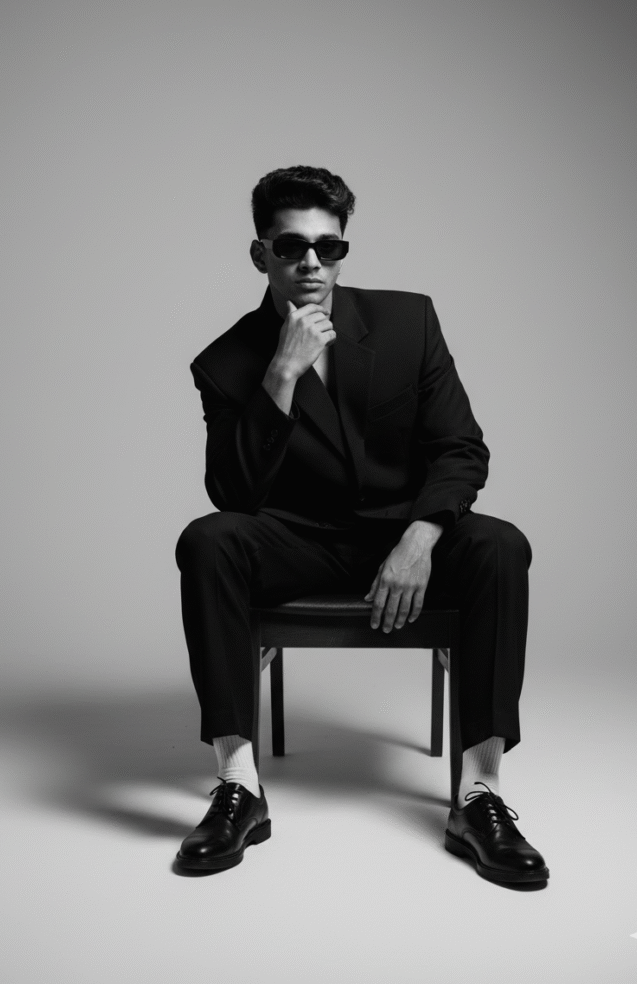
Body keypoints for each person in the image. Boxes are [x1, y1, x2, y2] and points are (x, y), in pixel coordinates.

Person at [174, 165, 549, 885]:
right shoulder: (225, 362)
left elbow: (460, 448)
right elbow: (233, 494)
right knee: (207, 540)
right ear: (260, 254)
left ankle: (479, 796)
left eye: (330, 247)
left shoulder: (408, 321)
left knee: (501, 545)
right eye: (291, 246)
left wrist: (421, 536)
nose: (311, 263)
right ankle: (238, 787)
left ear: (344, 250)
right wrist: (280, 376)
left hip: (404, 536)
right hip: (298, 542)